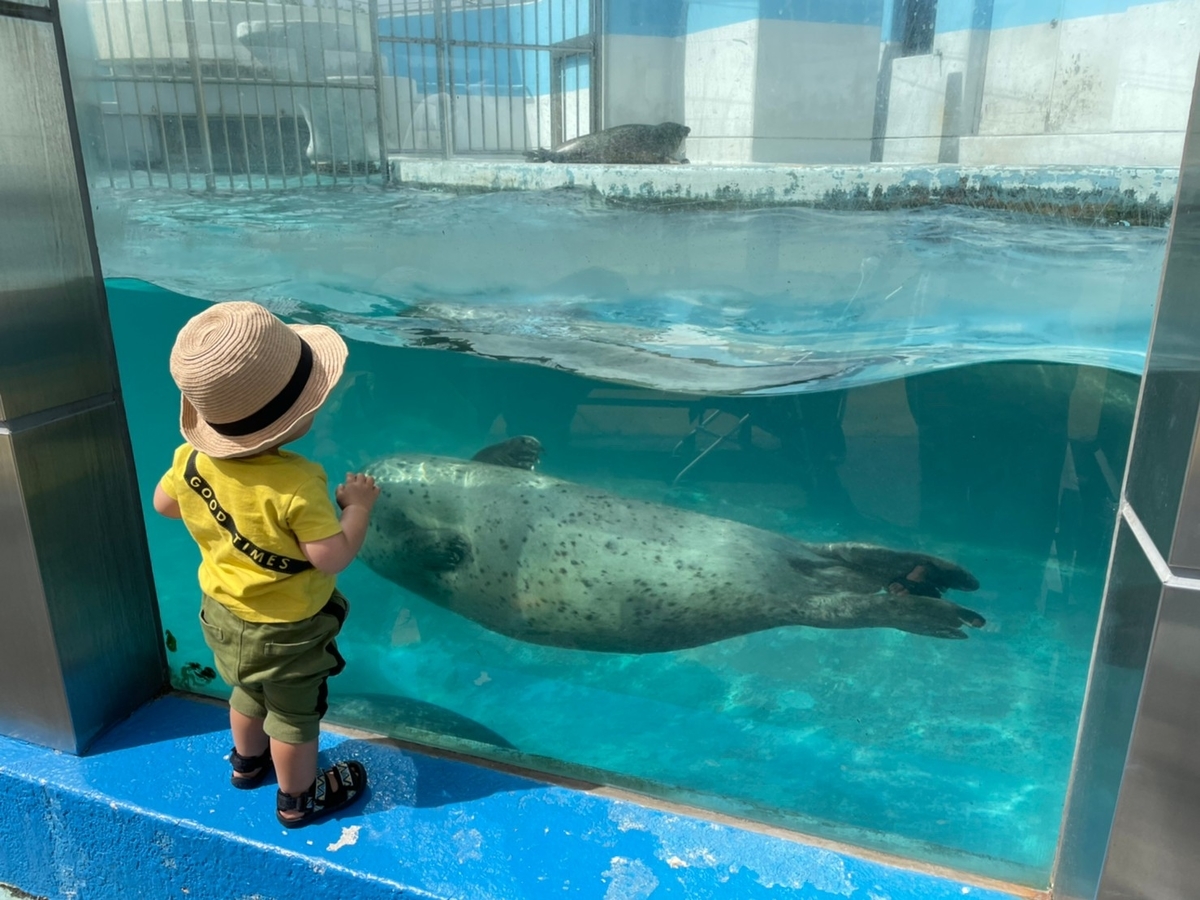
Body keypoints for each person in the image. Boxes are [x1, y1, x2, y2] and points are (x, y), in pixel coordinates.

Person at [152, 301, 380, 828]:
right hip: (289, 632)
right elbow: (331, 556)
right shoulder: (298, 482)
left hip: (223, 615)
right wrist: (359, 509)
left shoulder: (189, 459)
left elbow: (165, 505)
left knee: (246, 690)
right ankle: (298, 798)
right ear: (298, 414)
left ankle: (246, 765)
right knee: (295, 718)